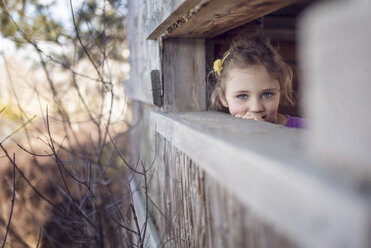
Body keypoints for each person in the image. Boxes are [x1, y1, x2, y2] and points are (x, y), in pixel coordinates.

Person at [209, 35, 304, 128]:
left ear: (280, 91)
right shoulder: (221, 134)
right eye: (242, 96)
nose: (256, 108)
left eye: (267, 94)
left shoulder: (306, 130)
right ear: (224, 99)